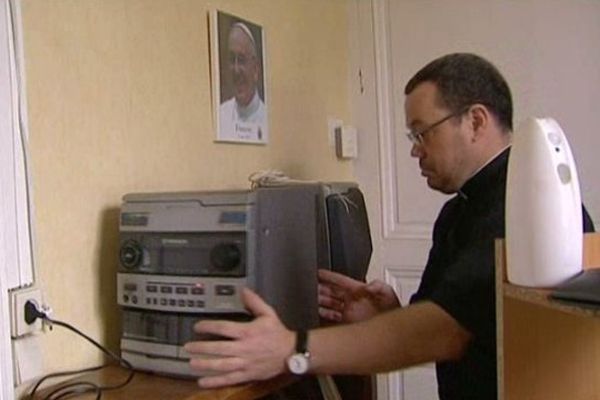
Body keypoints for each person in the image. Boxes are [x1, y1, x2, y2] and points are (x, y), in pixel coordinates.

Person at [185, 53, 595, 399]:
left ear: (475, 121)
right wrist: (389, 316)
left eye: (422, 132)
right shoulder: (458, 212)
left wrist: (294, 348)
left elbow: (445, 332)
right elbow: (455, 318)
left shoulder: (526, 207)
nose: (415, 150)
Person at [218, 21, 267, 142]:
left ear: (255, 69)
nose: (236, 70)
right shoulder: (221, 114)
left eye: (241, 60)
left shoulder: (266, 116)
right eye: (231, 59)